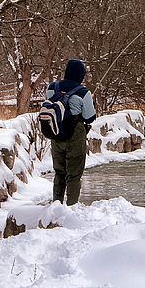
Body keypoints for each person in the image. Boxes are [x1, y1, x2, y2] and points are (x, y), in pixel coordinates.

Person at [46, 59, 96, 205]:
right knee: (73, 175)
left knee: (59, 172)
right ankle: (71, 207)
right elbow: (89, 117)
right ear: (81, 74)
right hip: (75, 135)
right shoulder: (83, 92)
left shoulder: (51, 88)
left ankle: (56, 206)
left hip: (56, 133)